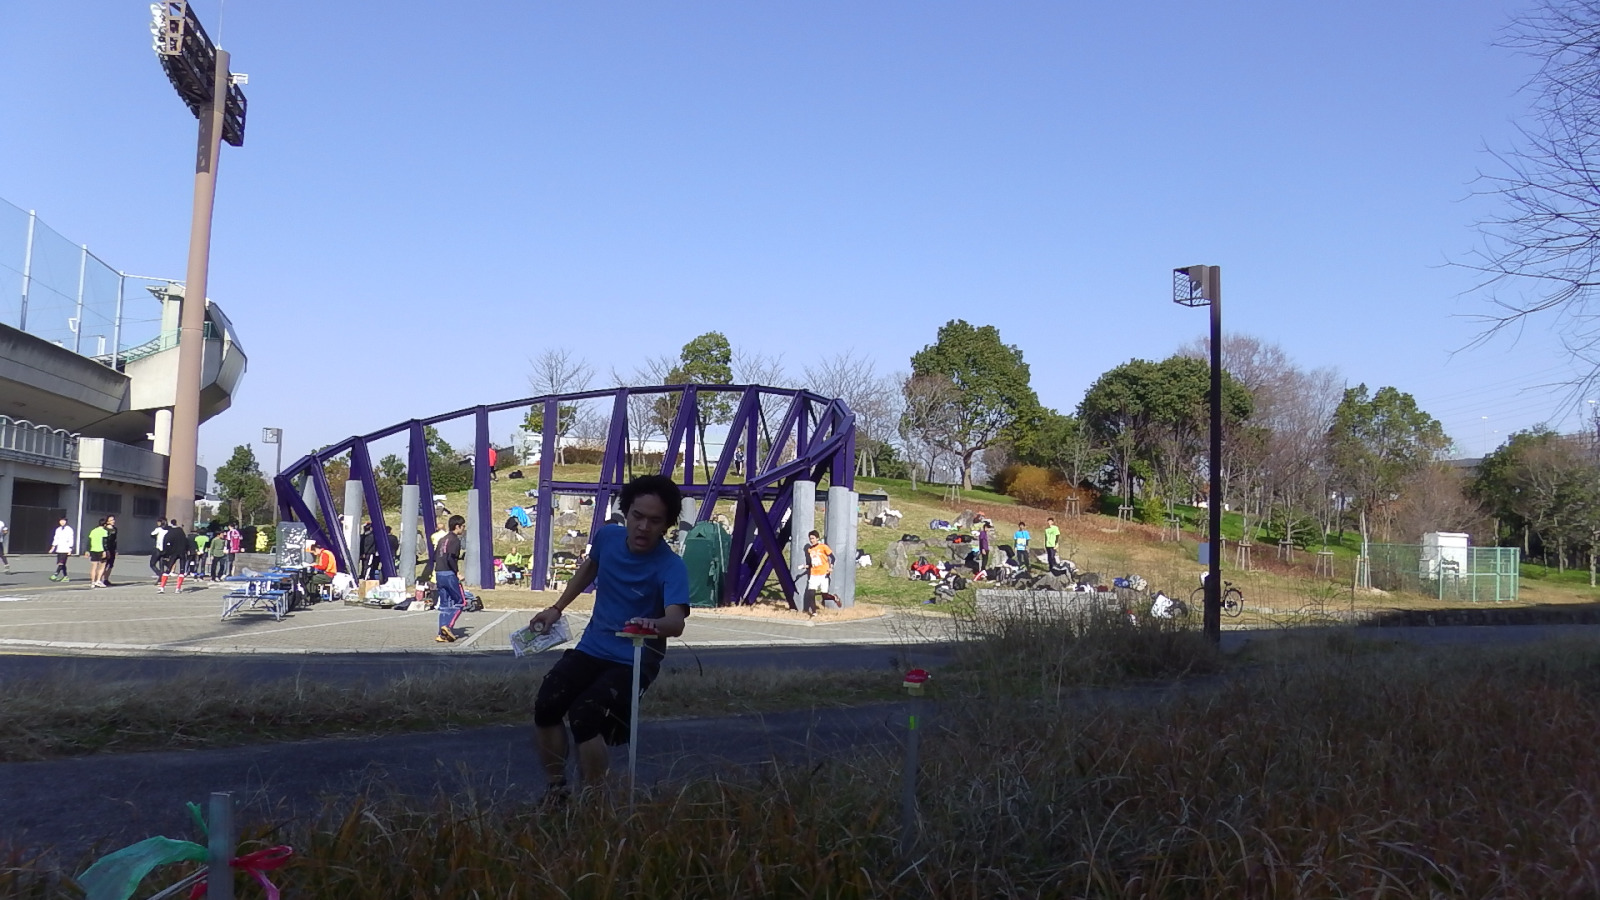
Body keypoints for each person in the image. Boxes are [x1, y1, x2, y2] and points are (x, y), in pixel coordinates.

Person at [527, 474, 690, 800]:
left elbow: (675, 622)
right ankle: (557, 792)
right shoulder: (608, 537)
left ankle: (594, 800)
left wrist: (652, 624)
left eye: (655, 521)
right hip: (593, 647)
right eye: (637, 516)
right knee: (547, 703)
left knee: (585, 715)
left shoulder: (672, 566)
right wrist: (556, 608)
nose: (643, 527)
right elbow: (590, 567)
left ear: (667, 525)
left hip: (635, 658)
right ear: (625, 513)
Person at [433, 515, 467, 642]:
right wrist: (457, 572)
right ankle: (447, 627)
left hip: (439, 573)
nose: (463, 528)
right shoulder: (455, 540)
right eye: (463, 526)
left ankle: (441, 634)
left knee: (445, 605)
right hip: (449, 574)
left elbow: (435, 556)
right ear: (457, 526)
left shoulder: (442, 539)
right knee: (460, 602)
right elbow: (451, 558)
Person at [801, 529, 833, 616]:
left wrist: (831, 567)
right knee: (811, 593)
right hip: (814, 574)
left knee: (825, 595)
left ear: (817, 538)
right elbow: (812, 563)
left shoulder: (823, 547)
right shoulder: (810, 550)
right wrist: (806, 566)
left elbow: (833, 558)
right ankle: (814, 612)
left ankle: (834, 598)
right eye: (810, 539)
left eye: (813, 538)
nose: (811, 540)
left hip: (823, 573)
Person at [156, 520, 187, 593]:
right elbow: (186, 541)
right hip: (182, 553)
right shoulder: (181, 532)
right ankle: (178, 588)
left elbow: (166, 543)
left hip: (173, 553)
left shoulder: (170, 532)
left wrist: (166, 553)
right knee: (182, 571)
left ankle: (162, 587)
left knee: (168, 569)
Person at [49, 517, 74, 582]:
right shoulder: (58, 529)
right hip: (59, 548)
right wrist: (53, 547)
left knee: (61, 563)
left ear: (66, 521)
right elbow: (56, 538)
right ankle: (65, 577)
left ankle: (55, 574)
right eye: (61, 521)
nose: (62, 522)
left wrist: (70, 549)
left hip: (66, 549)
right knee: (62, 564)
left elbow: (71, 539)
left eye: (63, 521)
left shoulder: (69, 529)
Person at [86, 518, 109, 587]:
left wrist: (87, 550)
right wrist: (105, 551)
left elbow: (89, 541)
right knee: (102, 566)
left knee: (94, 567)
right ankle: (98, 580)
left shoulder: (93, 531)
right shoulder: (104, 531)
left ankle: (92, 582)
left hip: (93, 550)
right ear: (105, 525)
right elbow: (104, 542)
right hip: (101, 550)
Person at [101, 516, 119, 585]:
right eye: (111, 520)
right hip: (106, 548)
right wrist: (105, 550)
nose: (113, 521)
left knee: (111, 564)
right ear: (107, 521)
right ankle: (101, 578)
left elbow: (115, 540)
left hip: (112, 548)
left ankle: (106, 579)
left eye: (113, 520)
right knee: (104, 564)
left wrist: (115, 549)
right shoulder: (105, 529)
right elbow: (104, 540)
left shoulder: (115, 529)